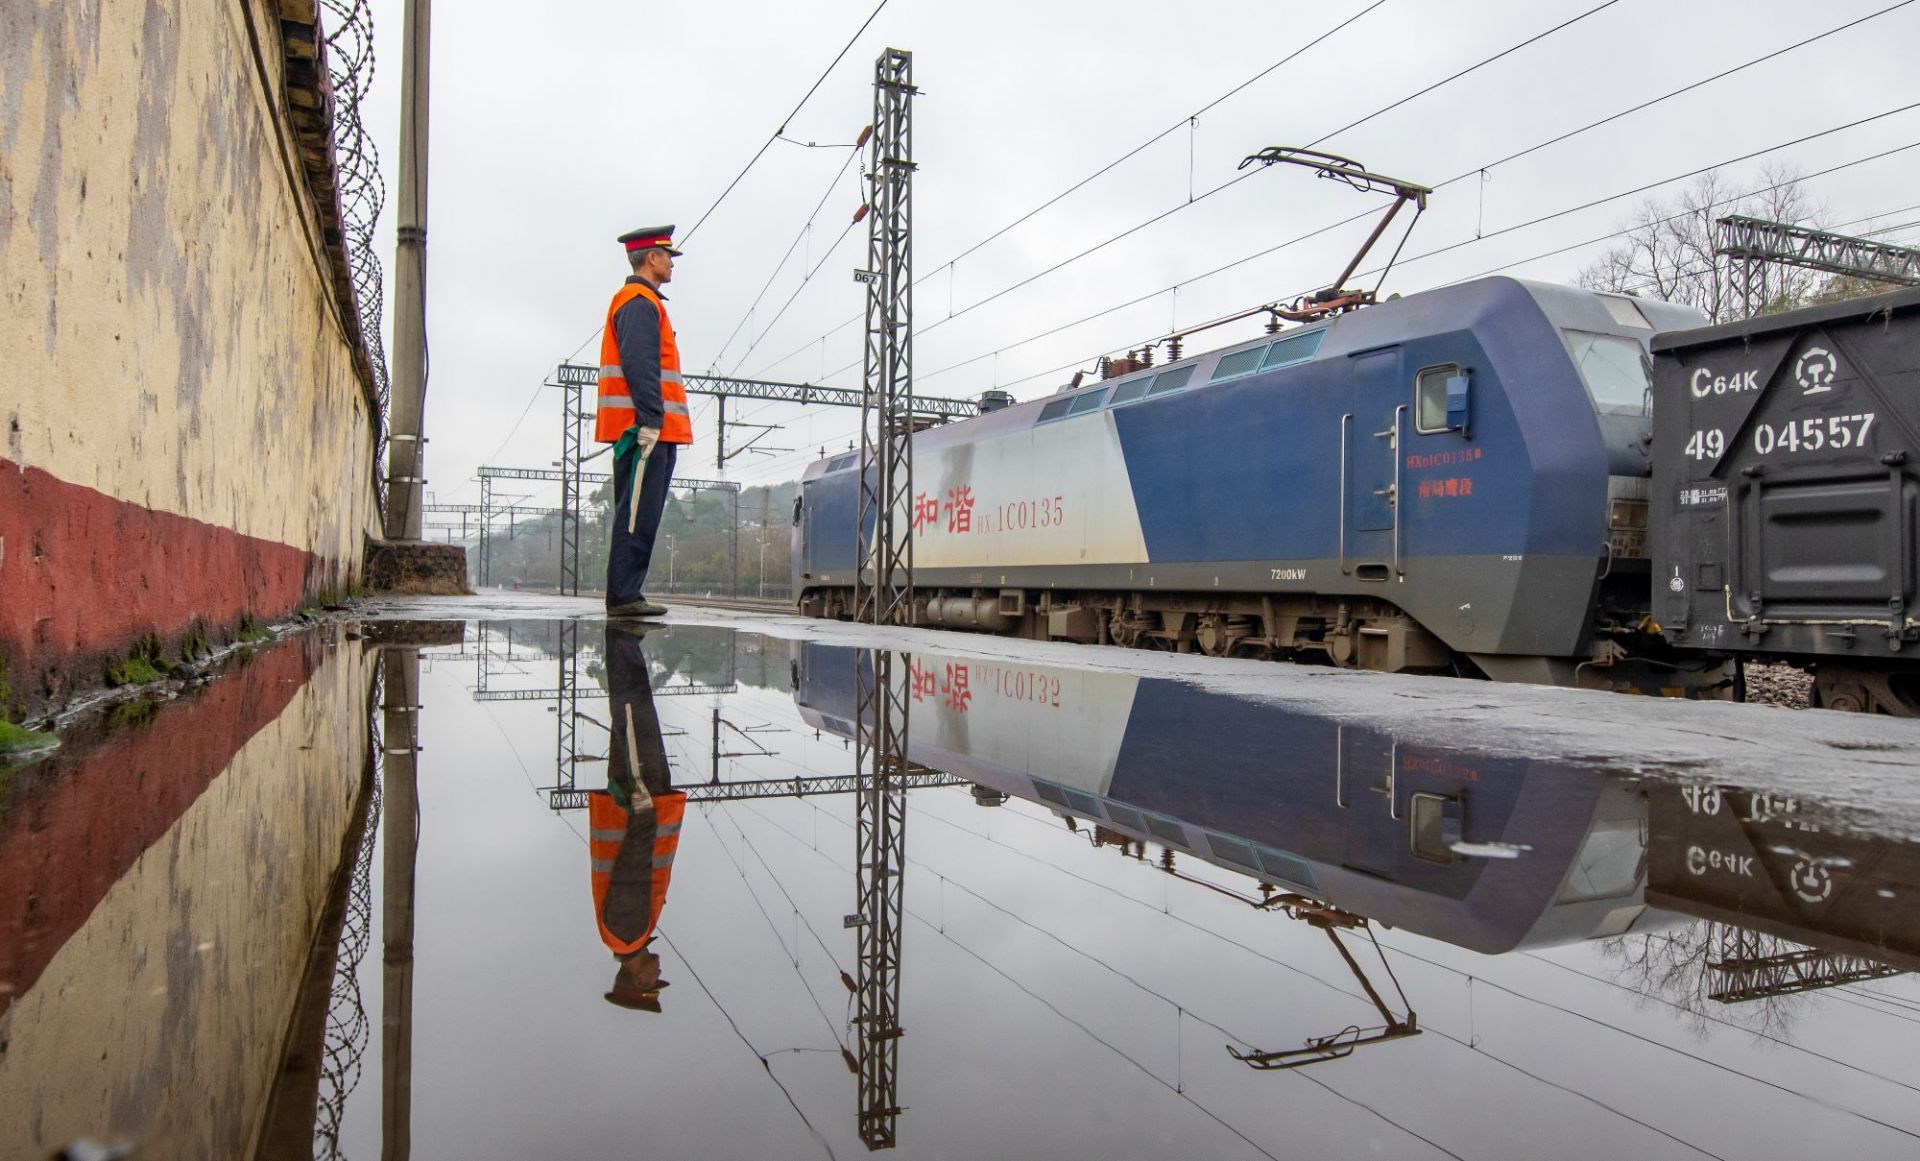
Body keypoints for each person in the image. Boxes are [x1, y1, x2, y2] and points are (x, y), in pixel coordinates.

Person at [589, 621, 688, 1012]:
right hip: (641, 801)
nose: (658, 973)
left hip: (640, 801)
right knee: (636, 710)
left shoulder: (626, 932)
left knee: (631, 710)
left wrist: (645, 813)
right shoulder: (627, 936)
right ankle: (624, 641)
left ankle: (622, 638)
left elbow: (633, 864)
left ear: (634, 977)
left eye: (652, 982)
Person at [597, 225, 694, 619]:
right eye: (668, 255)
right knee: (637, 511)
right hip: (645, 430)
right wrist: (652, 421)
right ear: (651, 258)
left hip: (650, 429)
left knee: (643, 510)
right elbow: (641, 367)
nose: (672, 263)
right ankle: (623, 595)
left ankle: (627, 591)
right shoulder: (638, 302)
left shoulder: (644, 301)